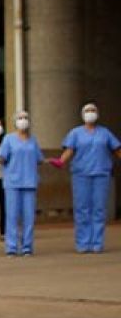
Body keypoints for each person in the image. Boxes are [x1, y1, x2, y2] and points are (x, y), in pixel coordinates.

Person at [50, 103, 121, 253]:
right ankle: (83, 243)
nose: (91, 113)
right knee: (82, 209)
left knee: (99, 209)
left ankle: (97, 243)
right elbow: (69, 150)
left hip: (101, 174)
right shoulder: (75, 133)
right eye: (88, 111)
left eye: (93, 110)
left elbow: (116, 149)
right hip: (81, 174)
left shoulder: (105, 133)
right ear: (83, 114)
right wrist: (61, 161)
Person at [0, 111, 45, 256]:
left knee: (29, 216)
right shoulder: (9, 139)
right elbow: (1, 157)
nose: (23, 121)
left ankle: (27, 246)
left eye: (25, 118)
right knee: (12, 216)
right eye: (20, 118)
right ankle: (11, 247)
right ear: (15, 122)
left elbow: (39, 159)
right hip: (12, 183)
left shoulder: (33, 140)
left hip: (30, 182)